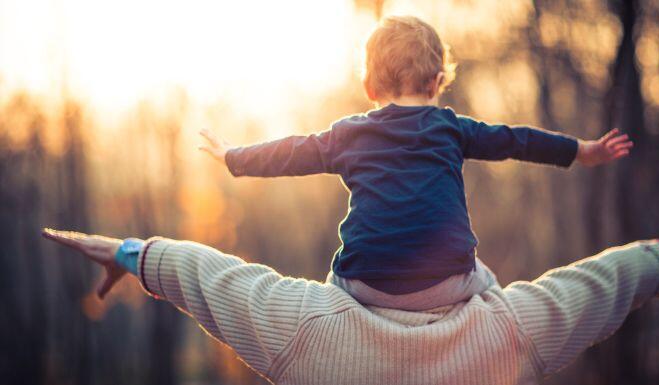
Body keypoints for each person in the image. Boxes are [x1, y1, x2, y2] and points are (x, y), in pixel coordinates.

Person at [197, 15, 634, 311]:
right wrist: (580, 150)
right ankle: (497, 328)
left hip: (364, 284)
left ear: (370, 87)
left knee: (333, 283)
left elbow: (292, 152)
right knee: (494, 288)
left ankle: (333, 319)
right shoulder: (449, 127)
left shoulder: (348, 134)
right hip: (448, 280)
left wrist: (234, 157)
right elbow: (515, 140)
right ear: (436, 80)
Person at [41, 228, 659, 384]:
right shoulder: (507, 330)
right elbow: (605, 282)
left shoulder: (309, 329)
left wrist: (130, 254)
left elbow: (211, 276)